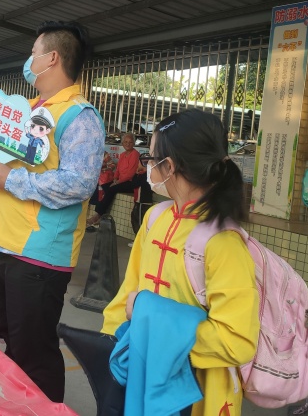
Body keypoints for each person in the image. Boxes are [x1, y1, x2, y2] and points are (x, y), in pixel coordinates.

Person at [0, 21, 105, 402]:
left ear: (52, 59)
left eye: (33, 53)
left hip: (40, 254)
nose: (28, 60)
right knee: (11, 339)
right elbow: (17, 166)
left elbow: (78, 183)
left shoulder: (79, 117)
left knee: (35, 353)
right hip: (5, 244)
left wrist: (10, 180)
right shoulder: (28, 110)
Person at [101, 109, 259, 415]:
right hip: (142, 371)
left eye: (150, 158)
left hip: (198, 392)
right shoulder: (154, 218)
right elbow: (128, 292)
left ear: (169, 166)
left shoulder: (224, 242)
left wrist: (153, 322)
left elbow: (236, 340)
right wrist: (111, 341)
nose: (148, 166)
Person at [86, 132, 152, 226]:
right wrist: (115, 179)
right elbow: (117, 170)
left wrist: (118, 182)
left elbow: (130, 174)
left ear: (133, 143)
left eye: (130, 142)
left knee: (112, 189)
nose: (128, 144)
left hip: (130, 182)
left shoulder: (135, 154)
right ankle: (102, 214)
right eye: (125, 142)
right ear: (122, 143)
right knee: (106, 186)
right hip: (121, 181)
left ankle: (98, 215)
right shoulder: (122, 154)